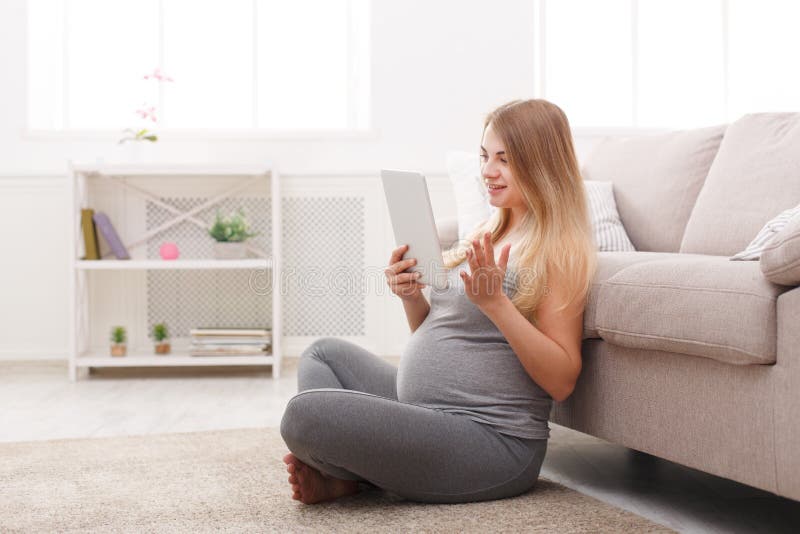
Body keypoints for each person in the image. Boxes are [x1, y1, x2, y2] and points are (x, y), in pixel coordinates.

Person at [280, 99, 597, 505]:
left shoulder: (559, 250)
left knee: (304, 416)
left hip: (490, 442)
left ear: (541, 163)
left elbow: (562, 380)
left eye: (504, 159)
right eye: (484, 156)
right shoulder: (486, 233)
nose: (488, 171)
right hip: (428, 414)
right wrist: (411, 297)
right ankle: (350, 476)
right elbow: (442, 335)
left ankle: (345, 473)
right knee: (323, 355)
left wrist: (497, 305)